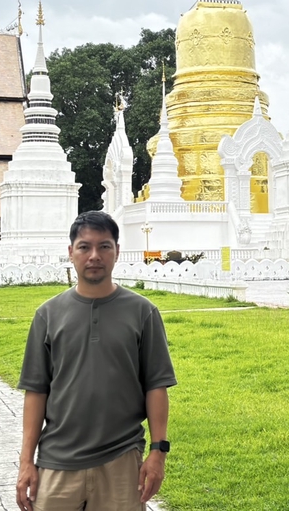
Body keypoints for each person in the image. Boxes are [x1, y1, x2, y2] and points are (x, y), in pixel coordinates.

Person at [16, 211, 177, 511]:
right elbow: (36, 392)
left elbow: (156, 386)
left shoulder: (143, 312)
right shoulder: (48, 315)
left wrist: (158, 451)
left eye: (104, 246)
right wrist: (27, 462)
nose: (94, 256)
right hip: (57, 460)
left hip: (121, 459)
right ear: (71, 253)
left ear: (117, 251)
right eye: (84, 247)